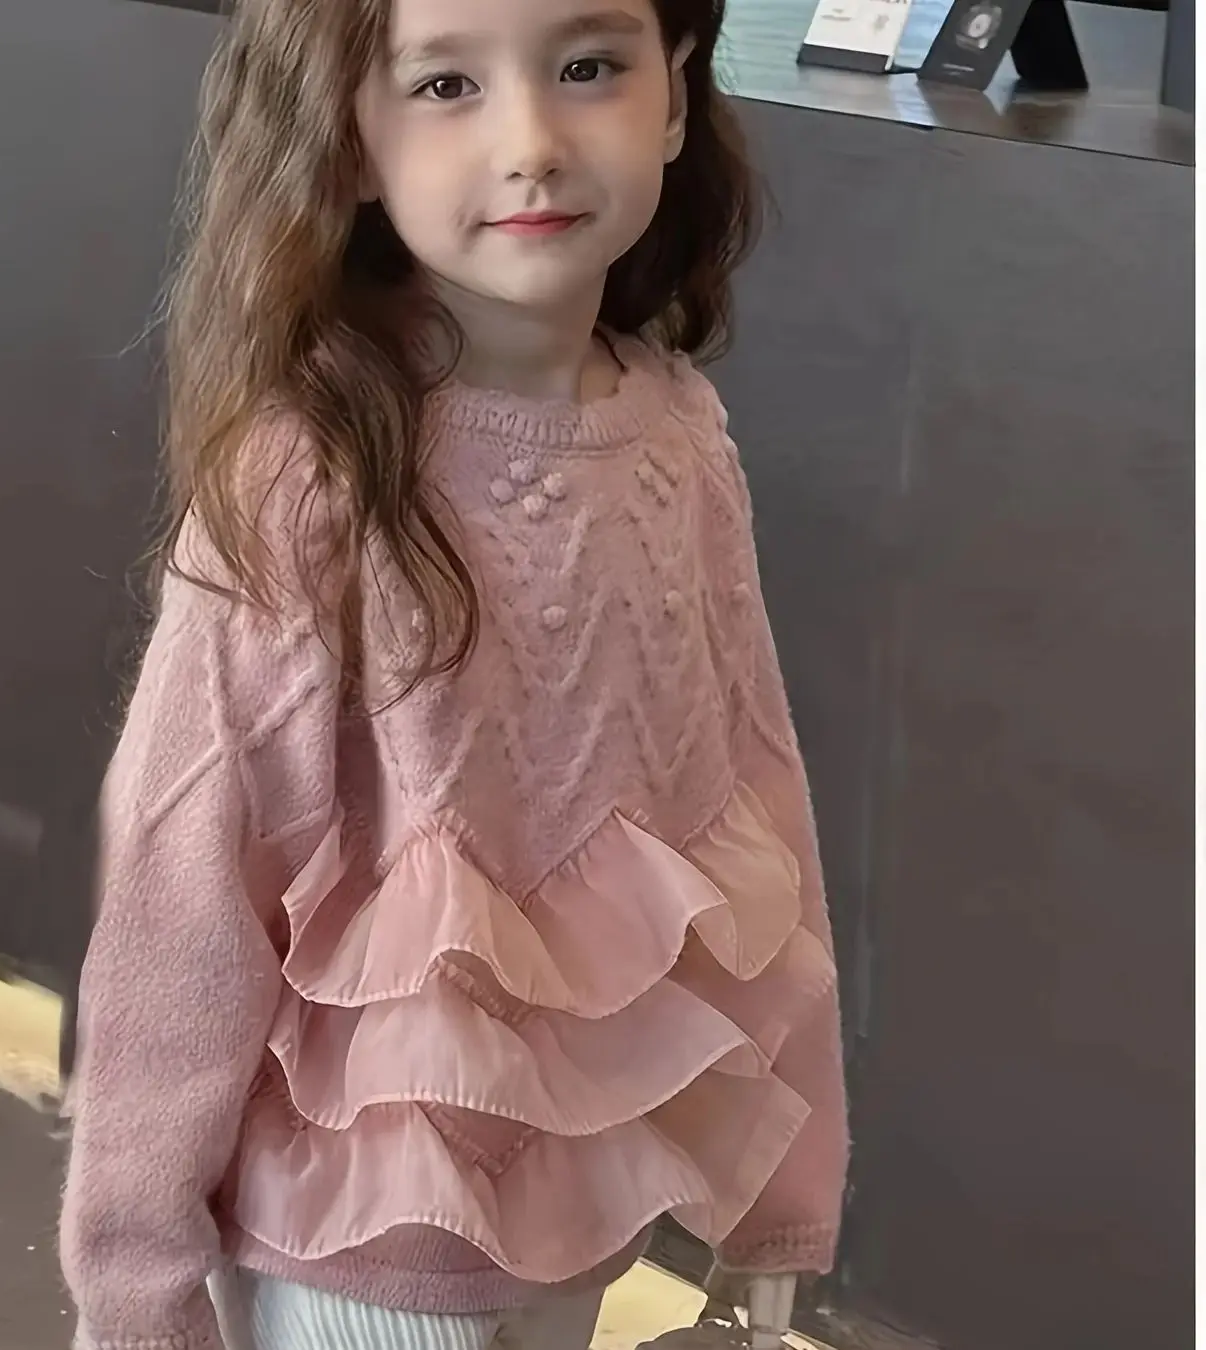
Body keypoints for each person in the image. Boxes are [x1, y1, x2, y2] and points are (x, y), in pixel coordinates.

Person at [59, 0, 849, 1347]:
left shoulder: (679, 438)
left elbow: (753, 808)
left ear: (673, 96)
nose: (531, 140)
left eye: (588, 67)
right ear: (349, 139)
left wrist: (782, 1190)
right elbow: (180, 888)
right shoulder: (308, 480)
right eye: (444, 85)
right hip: (352, 1242)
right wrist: (136, 1293)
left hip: (576, 1207)